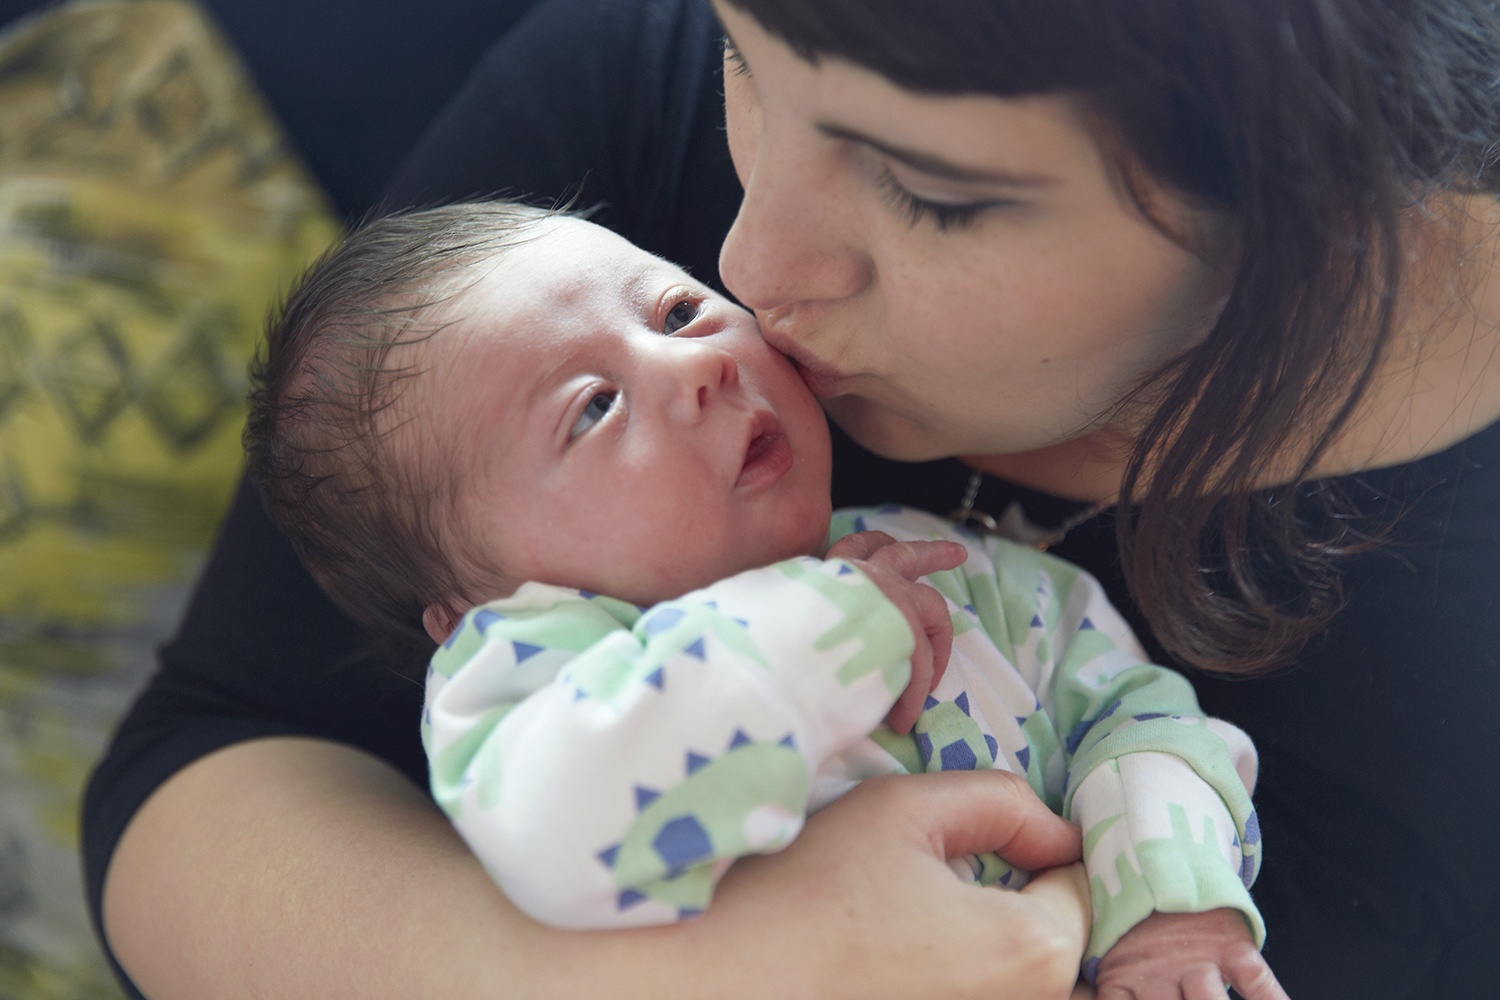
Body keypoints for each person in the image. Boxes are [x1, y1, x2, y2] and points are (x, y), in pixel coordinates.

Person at [84, 1, 1500, 998]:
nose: (749, 272)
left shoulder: (991, 592)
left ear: (1309, 186)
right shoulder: (528, 321)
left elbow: (1144, 727)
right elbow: (205, 762)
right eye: (739, 55)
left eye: (935, 194)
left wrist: (1170, 893)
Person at [243, 200, 1281, 997]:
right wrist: (837, 622)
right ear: (479, 602)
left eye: (678, 309)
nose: (693, 366)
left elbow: (1137, 718)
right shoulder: (535, 683)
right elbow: (571, 830)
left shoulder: (961, 568)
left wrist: (1173, 902)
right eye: (593, 407)